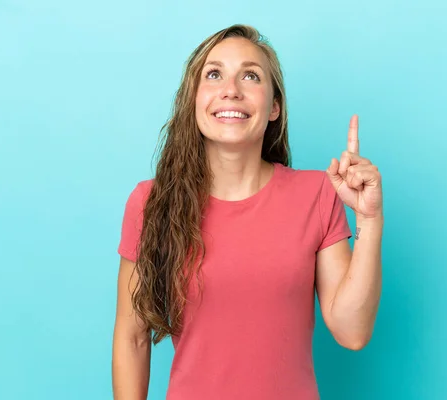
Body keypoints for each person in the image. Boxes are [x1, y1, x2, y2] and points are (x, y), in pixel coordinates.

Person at [112, 24, 383, 400]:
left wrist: (368, 220)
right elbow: (132, 338)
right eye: (214, 74)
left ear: (274, 107)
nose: (231, 90)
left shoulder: (317, 193)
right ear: (194, 99)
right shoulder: (151, 202)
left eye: (250, 76)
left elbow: (352, 332)